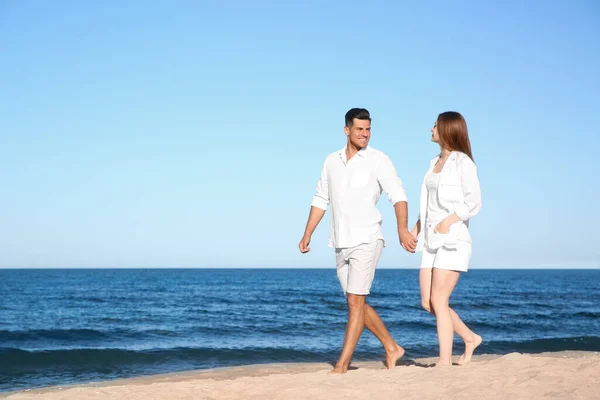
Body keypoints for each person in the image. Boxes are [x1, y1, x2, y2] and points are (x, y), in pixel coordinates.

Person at [298, 107, 416, 374]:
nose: (365, 134)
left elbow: (398, 195)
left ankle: (342, 365)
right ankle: (392, 347)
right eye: (360, 129)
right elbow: (320, 199)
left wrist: (402, 229)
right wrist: (307, 234)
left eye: (368, 129)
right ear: (347, 130)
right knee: (357, 303)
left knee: (354, 302)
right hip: (340, 242)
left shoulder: (378, 159)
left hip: (367, 238)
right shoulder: (331, 161)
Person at [410, 111, 482, 366]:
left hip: (453, 239)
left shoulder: (464, 163)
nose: (431, 129)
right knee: (427, 302)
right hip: (430, 241)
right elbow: (427, 206)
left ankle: (444, 362)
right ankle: (470, 338)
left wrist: (447, 222)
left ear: (447, 130)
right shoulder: (433, 163)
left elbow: (474, 203)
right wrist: (414, 231)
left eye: (435, 125)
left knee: (440, 300)